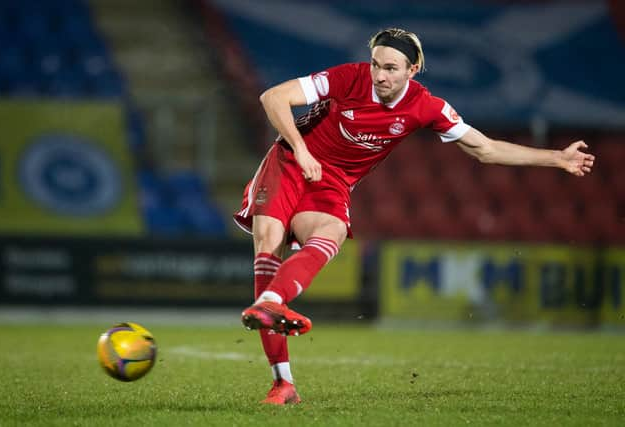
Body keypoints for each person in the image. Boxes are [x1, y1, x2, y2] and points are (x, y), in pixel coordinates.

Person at [233, 28, 595, 405]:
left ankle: (273, 310)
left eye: (391, 68)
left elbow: (484, 149)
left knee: (331, 234)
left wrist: (556, 158)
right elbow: (273, 96)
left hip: (334, 180)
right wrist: (302, 149)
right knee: (269, 243)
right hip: (291, 161)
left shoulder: (427, 107)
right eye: (376, 65)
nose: (380, 75)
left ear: (414, 68)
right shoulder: (348, 77)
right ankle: (282, 378)